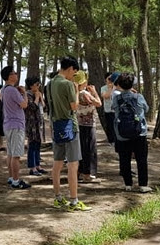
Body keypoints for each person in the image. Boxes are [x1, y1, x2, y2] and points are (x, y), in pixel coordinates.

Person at [49, 55, 91, 211]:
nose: (73, 76)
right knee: (73, 164)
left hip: (56, 125)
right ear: (70, 69)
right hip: (70, 126)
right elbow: (74, 107)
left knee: (57, 163)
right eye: (74, 72)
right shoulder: (67, 84)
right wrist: (75, 91)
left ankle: (58, 197)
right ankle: (74, 200)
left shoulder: (50, 83)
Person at [112, 72, 151, 193]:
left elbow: (114, 109)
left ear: (120, 84)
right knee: (141, 159)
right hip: (139, 132)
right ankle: (143, 185)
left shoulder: (116, 98)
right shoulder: (138, 97)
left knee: (124, 158)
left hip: (122, 132)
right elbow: (146, 108)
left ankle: (127, 184)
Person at [1, 65, 31, 189]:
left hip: (8, 124)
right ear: (9, 76)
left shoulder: (4, 90)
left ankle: (11, 177)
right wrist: (24, 93)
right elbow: (24, 105)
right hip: (16, 125)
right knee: (16, 155)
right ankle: (16, 180)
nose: (16, 75)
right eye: (14, 73)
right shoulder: (12, 90)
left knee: (10, 153)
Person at [74, 70, 102, 183]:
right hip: (88, 124)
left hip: (79, 123)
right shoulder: (85, 94)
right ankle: (88, 173)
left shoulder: (75, 93)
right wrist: (94, 92)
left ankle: (79, 172)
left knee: (81, 148)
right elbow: (98, 103)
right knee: (89, 149)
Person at [25, 76, 47, 176]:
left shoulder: (38, 94)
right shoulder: (27, 95)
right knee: (32, 145)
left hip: (39, 123)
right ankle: (32, 167)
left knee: (38, 144)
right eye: (36, 84)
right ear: (31, 86)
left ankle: (38, 165)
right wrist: (37, 97)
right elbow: (32, 107)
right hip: (31, 123)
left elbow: (43, 106)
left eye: (39, 84)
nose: (38, 86)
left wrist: (40, 97)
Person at [101, 72, 121, 147]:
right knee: (110, 126)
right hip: (108, 110)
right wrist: (110, 88)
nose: (110, 80)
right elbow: (106, 96)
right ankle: (111, 140)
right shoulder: (103, 88)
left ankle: (117, 139)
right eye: (108, 78)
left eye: (111, 78)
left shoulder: (117, 87)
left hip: (117, 110)